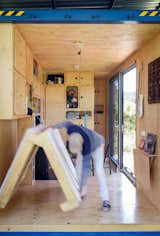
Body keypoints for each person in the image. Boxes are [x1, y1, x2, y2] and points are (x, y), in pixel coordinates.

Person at [52, 121, 111, 212]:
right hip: (83, 143)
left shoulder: (87, 146)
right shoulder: (72, 129)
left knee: (99, 171)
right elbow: (66, 123)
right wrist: (52, 127)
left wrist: (82, 184)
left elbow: (85, 169)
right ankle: (82, 192)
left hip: (98, 145)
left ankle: (105, 200)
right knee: (78, 168)